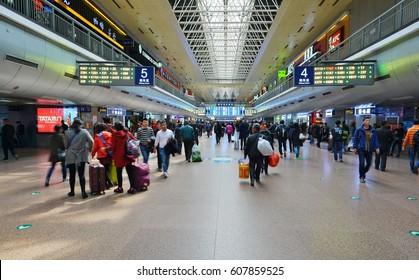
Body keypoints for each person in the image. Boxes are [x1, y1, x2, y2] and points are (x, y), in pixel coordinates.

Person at [64, 118, 93, 199]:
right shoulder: (84, 132)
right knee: (81, 175)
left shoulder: (67, 132)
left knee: (72, 174)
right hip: (81, 155)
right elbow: (91, 141)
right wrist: (89, 149)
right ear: (80, 124)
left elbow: (66, 145)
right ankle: (83, 192)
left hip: (71, 155)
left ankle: (72, 191)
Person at [108, 122, 137, 194]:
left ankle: (120, 187)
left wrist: (105, 149)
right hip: (128, 155)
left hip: (119, 157)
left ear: (116, 128)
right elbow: (135, 140)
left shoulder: (114, 135)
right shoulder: (127, 133)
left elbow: (112, 147)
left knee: (119, 172)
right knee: (130, 172)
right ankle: (132, 187)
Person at [353, 117, 380, 183]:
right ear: (363, 122)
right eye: (366, 120)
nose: (368, 122)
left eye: (369, 121)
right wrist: (355, 147)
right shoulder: (359, 130)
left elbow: (375, 139)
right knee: (361, 163)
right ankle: (361, 177)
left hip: (370, 149)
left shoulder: (373, 130)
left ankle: (363, 172)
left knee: (369, 164)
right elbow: (355, 139)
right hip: (361, 149)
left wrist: (377, 147)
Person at [91, 123, 114, 189]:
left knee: (103, 170)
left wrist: (92, 155)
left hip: (102, 155)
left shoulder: (97, 136)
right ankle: (107, 183)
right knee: (107, 169)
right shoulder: (110, 134)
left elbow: (95, 147)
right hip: (109, 154)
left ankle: (108, 183)